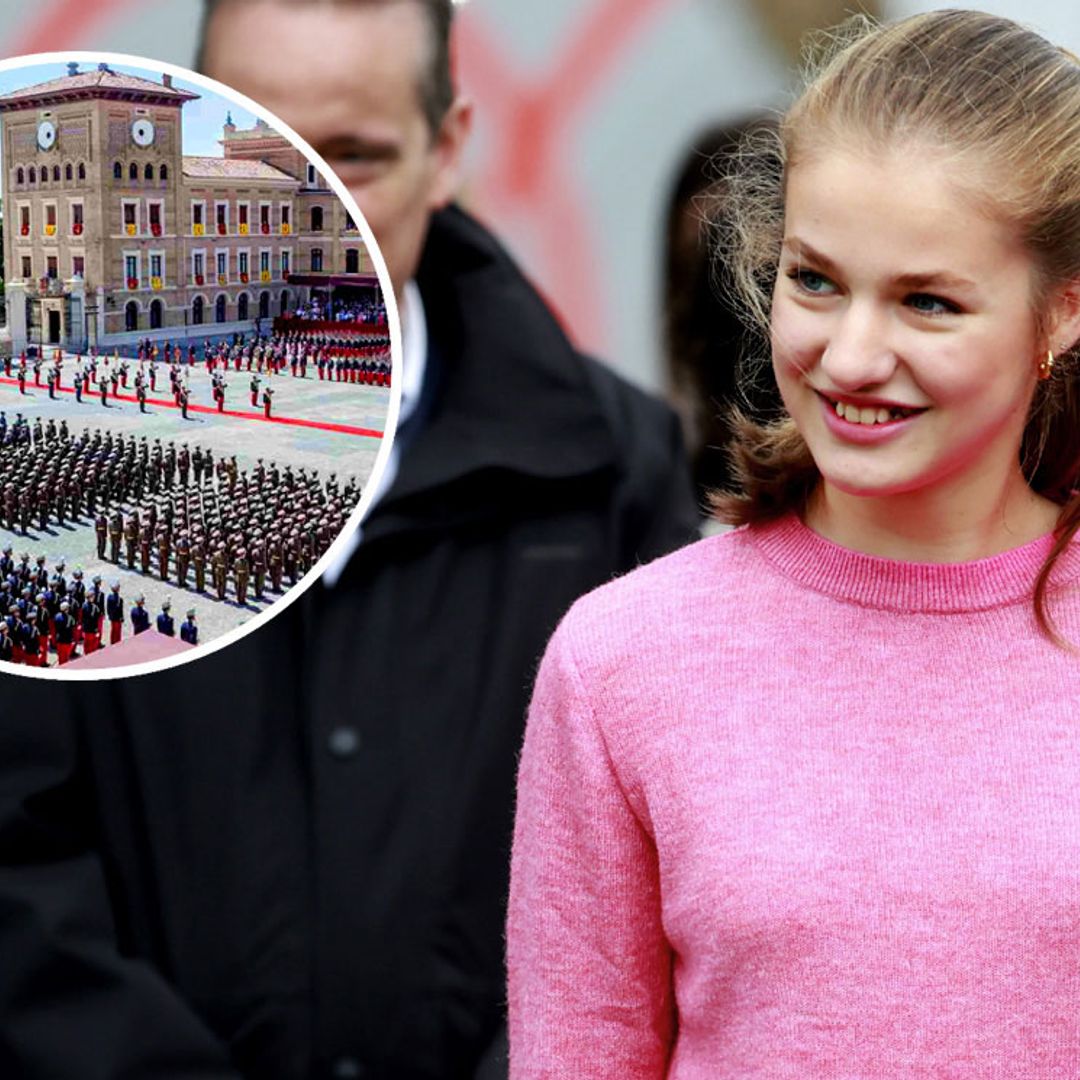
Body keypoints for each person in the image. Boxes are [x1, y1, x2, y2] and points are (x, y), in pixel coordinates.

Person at [0, 3, 697, 1078]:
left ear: (448, 151)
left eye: (355, 159)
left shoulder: (614, 474)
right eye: (252, 150)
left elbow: (654, 885)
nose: (302, 213)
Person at [507, 11, 1080, 1076]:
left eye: (928, 302)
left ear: (1062, 314)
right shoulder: (624, 663)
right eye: (814, 280)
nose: (851, 356)